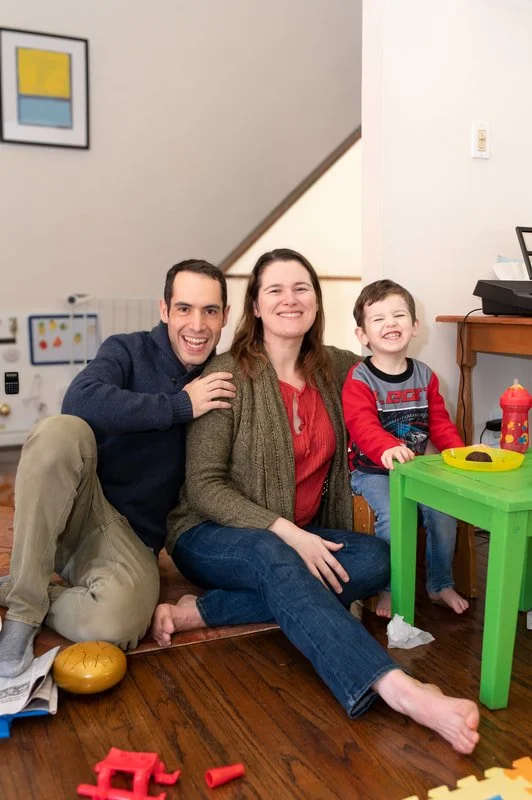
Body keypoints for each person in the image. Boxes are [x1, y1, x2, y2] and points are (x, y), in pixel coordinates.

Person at [152, 249, 480, 754]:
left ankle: (207, 612)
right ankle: (399, 689)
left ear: (316, 300)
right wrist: (289, 532)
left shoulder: (338, 369)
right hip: (210, 533)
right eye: (275, 290)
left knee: (378, 559)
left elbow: (395, 368)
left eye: (301, 288)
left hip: (302, 536)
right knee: (274, 554)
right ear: (256, 306)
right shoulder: (225, 374)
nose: (290, 299)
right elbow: (204, 487)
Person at [0, 259, 235, 678]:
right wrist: (182, 405)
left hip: (130, 540)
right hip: (76, 505)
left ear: (225, 317)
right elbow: (81, 400)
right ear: (164, 310)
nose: (197, 325)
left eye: (210, 311)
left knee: (116, 627)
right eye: (184, 308)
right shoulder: (127, 349)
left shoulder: (225, 378)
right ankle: (22, 611)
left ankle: (30, 586)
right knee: (60, 431)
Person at [342, 279, 469, 618]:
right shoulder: (360, 379)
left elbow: (439, 422)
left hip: (418, 468)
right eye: (378, 318)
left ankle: (439, 583)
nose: (390, 324)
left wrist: (457, 455)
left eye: (399, 315)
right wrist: (386, 447)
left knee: (444, 512)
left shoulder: (425, 375)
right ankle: (388, 586)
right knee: (395, 516)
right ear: (363, 334)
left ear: (414, 327)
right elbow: (362, 424)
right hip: (371, 472)